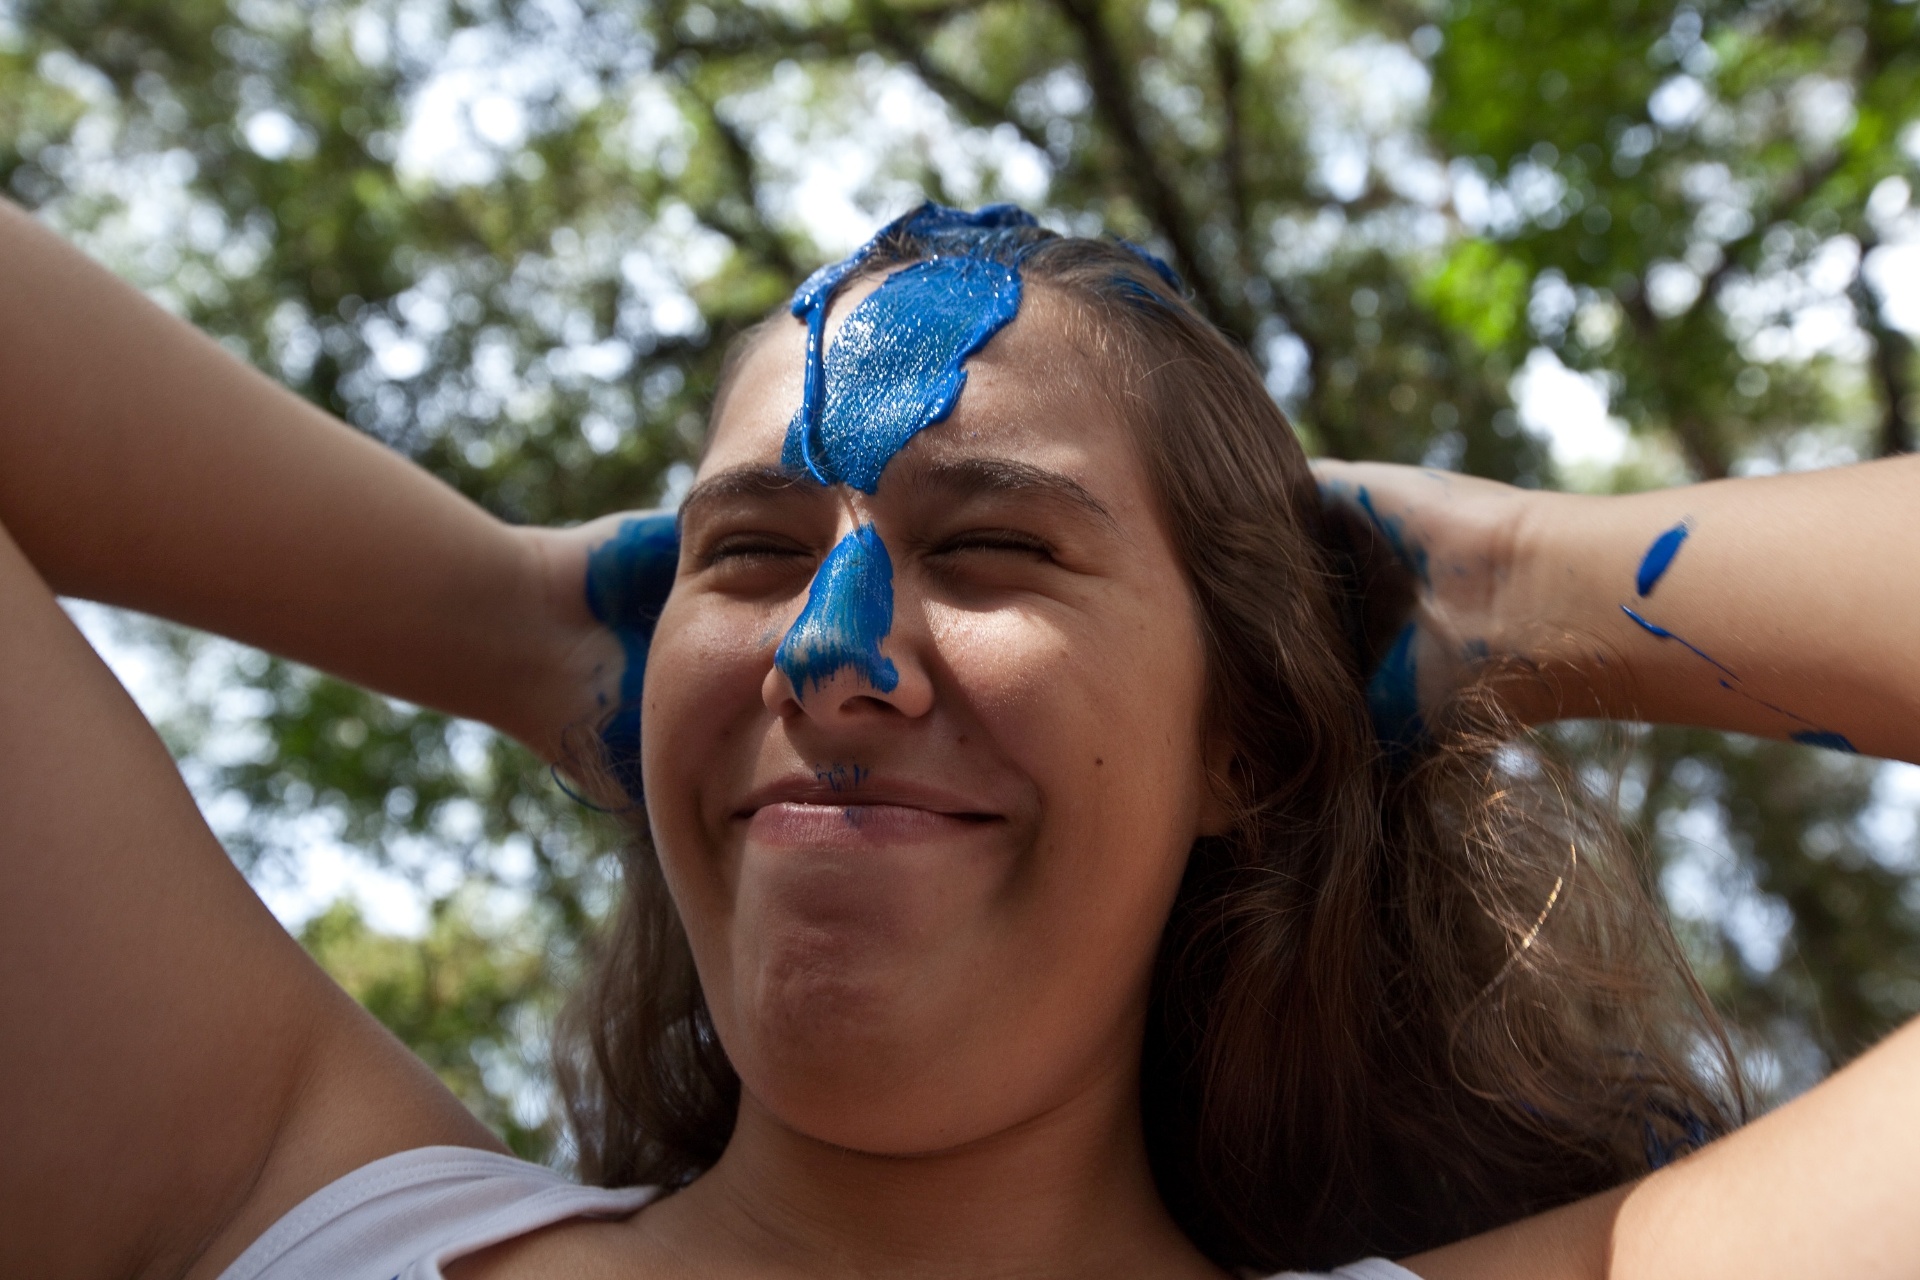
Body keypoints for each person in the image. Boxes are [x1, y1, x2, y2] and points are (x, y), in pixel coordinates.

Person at [1, 193, 1916, 1280]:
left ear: (1239, 745)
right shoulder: (280, 1211)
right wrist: (503, 617)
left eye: (992, 548)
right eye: (748, 558)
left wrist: (1504, 589)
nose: (829, 656)